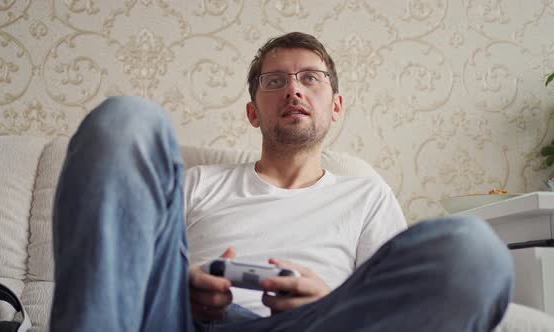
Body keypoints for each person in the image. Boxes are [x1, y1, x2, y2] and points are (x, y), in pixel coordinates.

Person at [50, 32, 513, 332]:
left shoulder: (366, 195)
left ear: (335, 105)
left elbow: (384, 297)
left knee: (472, 248)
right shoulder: (196, 184)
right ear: (253, 112)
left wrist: (328, 302)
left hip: (316, 326)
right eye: (275, 81)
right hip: (185, 325)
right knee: (128, 119)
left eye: (310, 78)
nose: (293, 89)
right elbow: (134, 276)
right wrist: (184, 289)